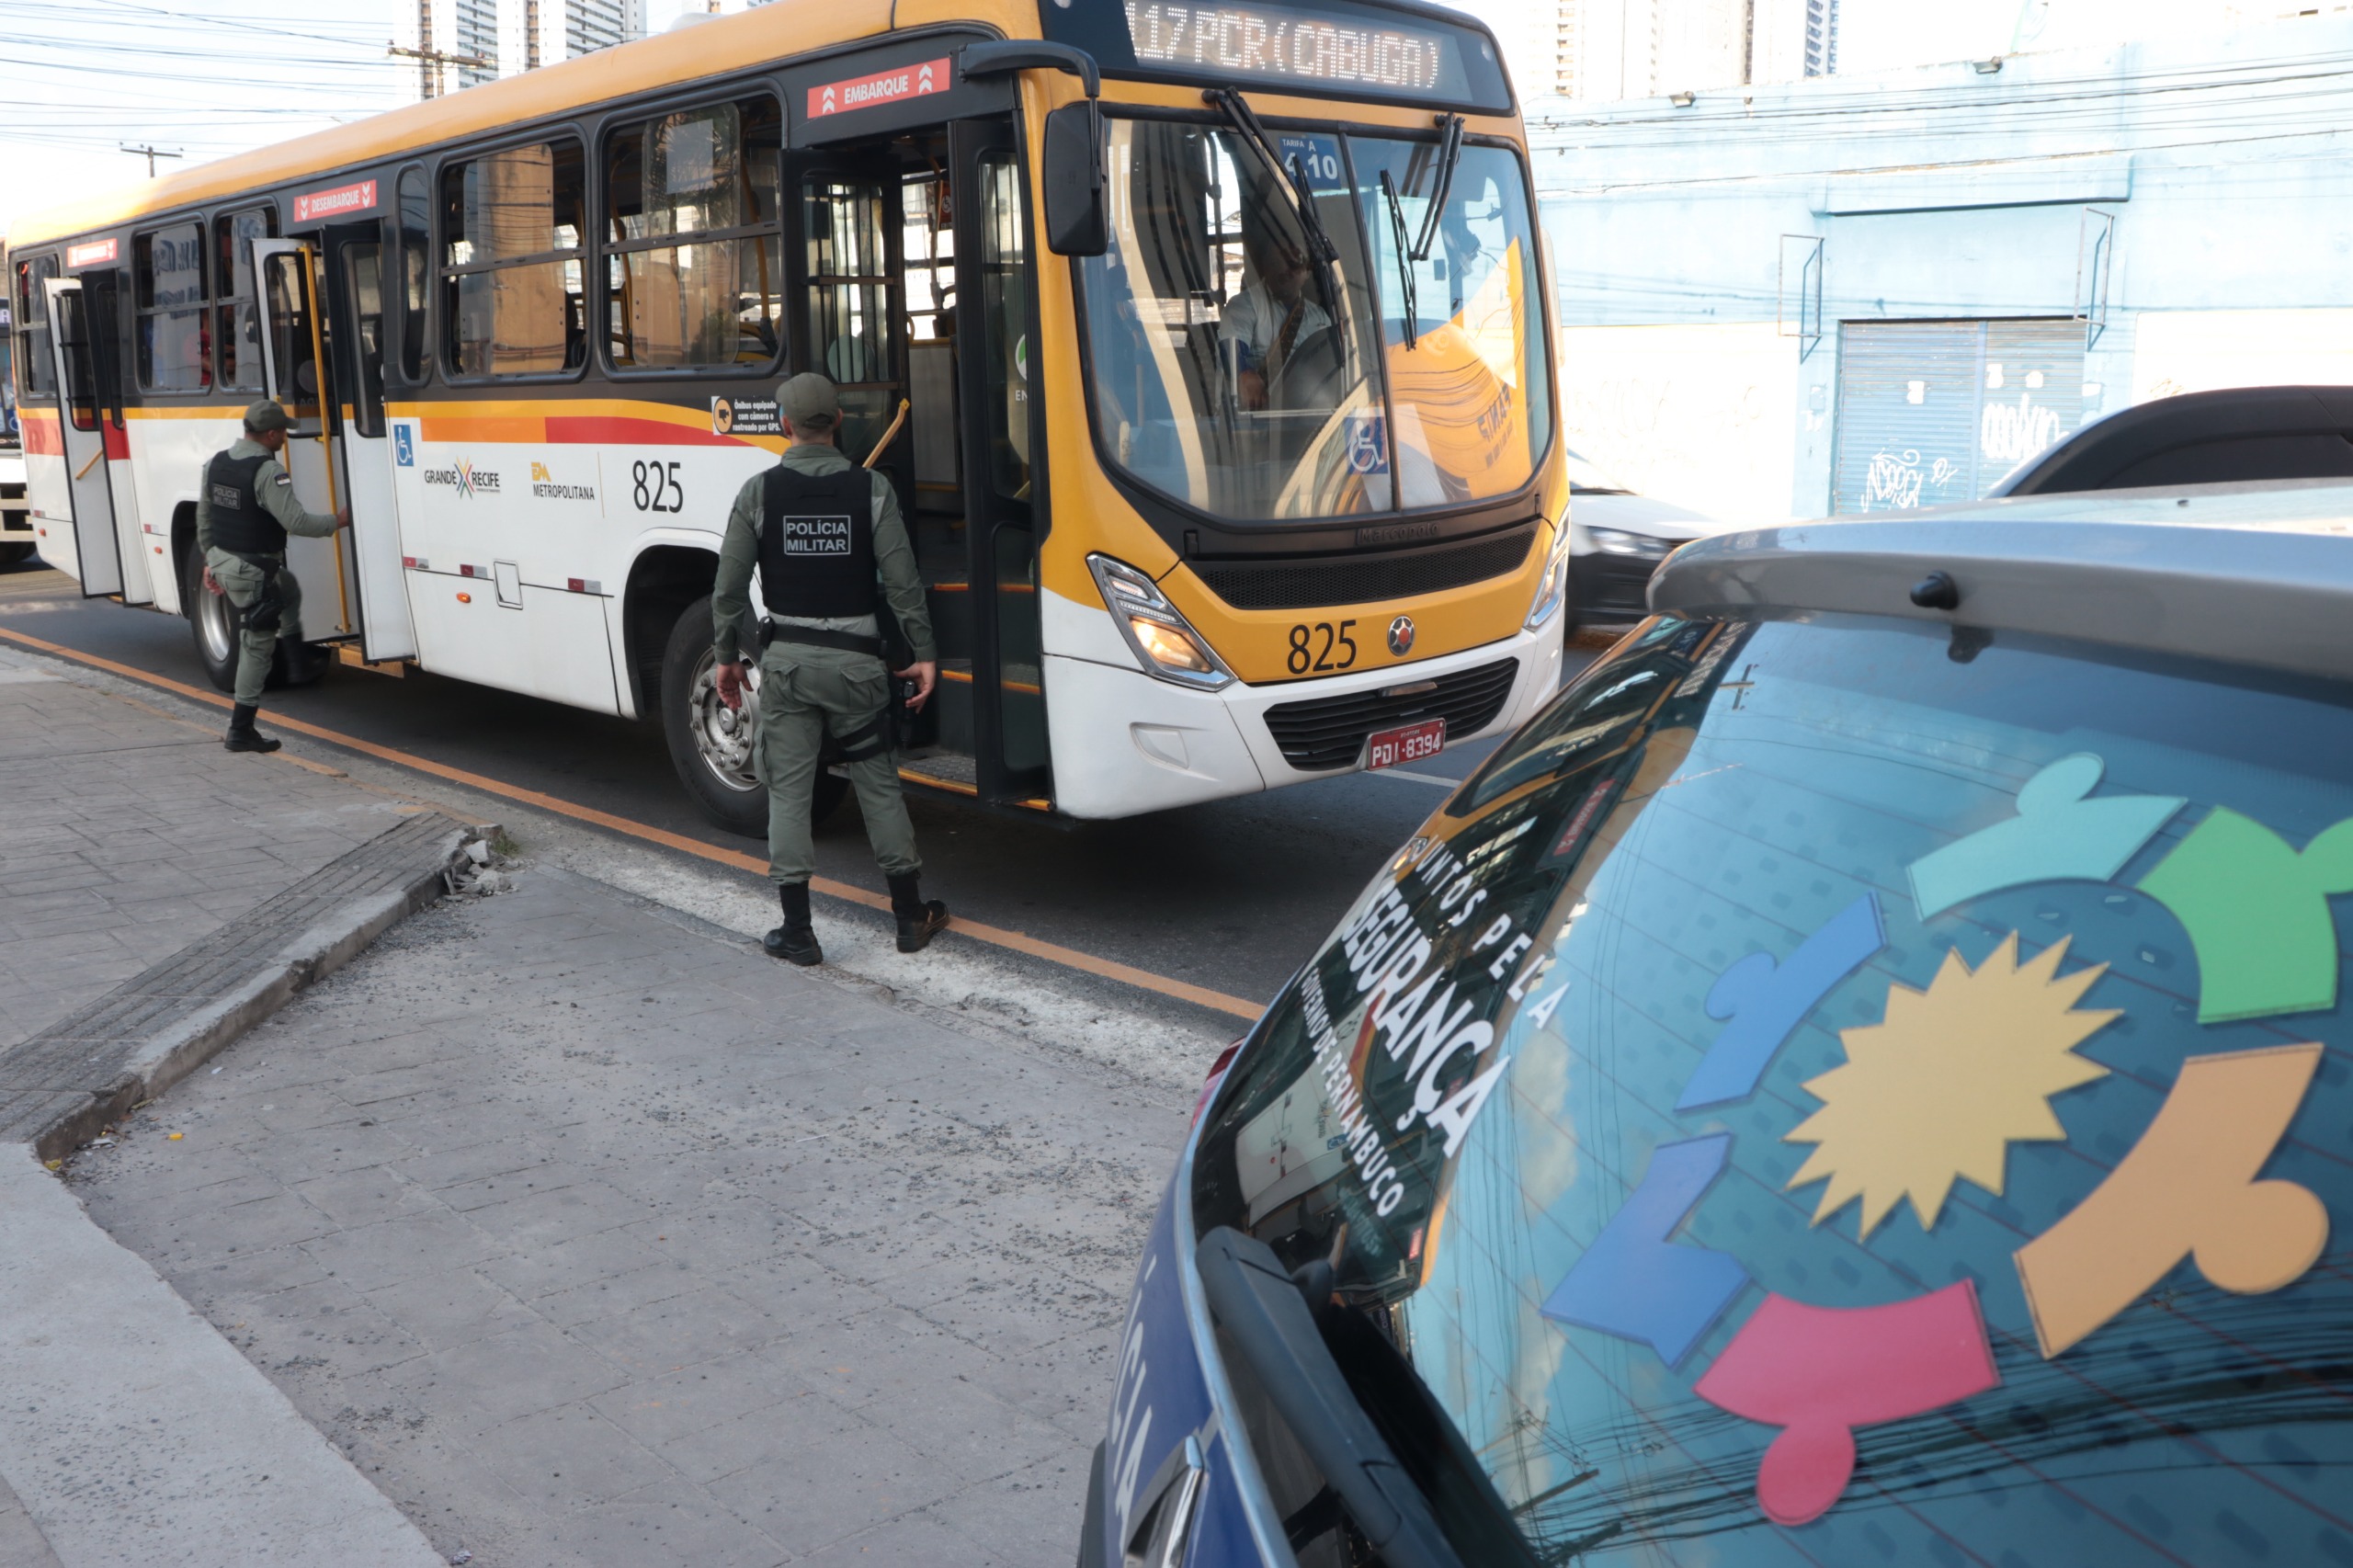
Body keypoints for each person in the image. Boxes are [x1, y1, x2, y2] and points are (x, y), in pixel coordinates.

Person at [710, 372, 949, 966]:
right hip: (860, 671)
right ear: (838, 422)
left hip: (787, 669)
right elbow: (902, 583)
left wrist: (726, 659)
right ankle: (909, 918)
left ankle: (798, 931)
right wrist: (923, 653)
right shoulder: (871, 490)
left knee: (788, 792)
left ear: (786, 426)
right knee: (879, 787)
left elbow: (729, 590)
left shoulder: (758, 493)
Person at [197, 400, 348, 753]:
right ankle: (241, 730)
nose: (285, 438)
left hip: (224, 559)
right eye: (283, 432)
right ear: (271, 433)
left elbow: (205, 519)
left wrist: (210, 562)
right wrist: (338, 521)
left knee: (289, 588)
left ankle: (297, 658)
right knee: (255, 648)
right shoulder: (267, 471)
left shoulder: (216, 463)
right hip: (252, 572)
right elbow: (296, 523)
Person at [1220, 230, 1330, 411]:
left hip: (1312, 413)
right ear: (1265, 266)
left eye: (1294, 263)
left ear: (1307, 272)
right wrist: (1245, 374)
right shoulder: (1244, 306)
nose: (1285, 270)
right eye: (1277, 262)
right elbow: (1231, 348)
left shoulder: (1319, 316)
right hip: (1260, 417)